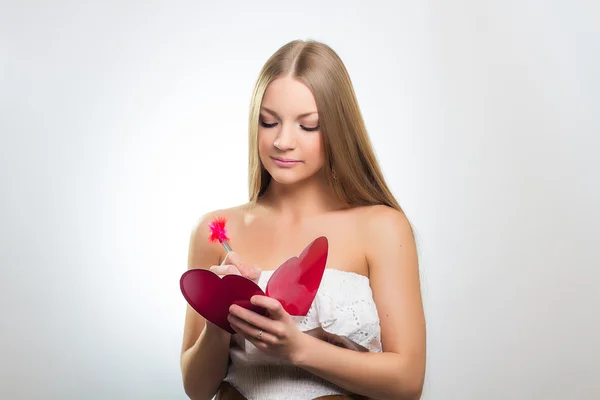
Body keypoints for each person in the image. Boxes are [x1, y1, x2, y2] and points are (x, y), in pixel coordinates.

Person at [180, 39, 426, 400]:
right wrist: (220, 321)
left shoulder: (382, 228)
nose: (282, 141)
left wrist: (298, 349)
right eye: (269, 122)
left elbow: (407, 383)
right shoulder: (215, 232)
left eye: (307, 126)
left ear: (339, 130)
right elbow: (196, 390)